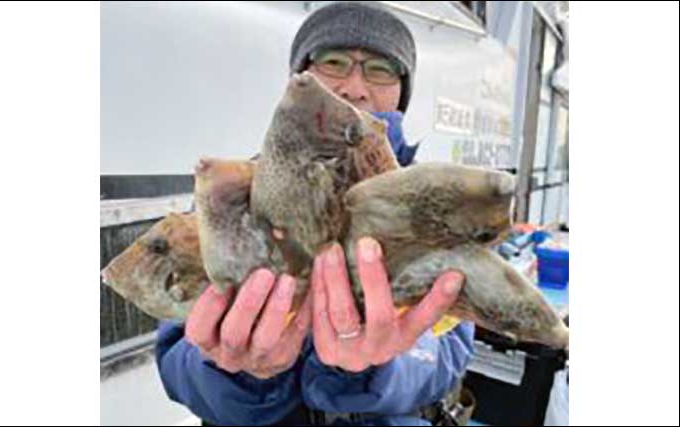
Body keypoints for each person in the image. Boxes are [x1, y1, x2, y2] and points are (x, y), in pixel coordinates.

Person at [156, 3, 475, 425]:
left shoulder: (435, 205)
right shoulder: (231, 196)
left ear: (402, 91)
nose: (354, 87)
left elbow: (452, 350)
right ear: (300, 77)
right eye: (334, 62)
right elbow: (176, 359)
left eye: (380, 69)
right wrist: (237, 372)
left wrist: (385, 364)